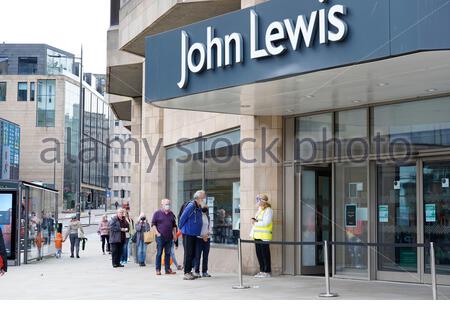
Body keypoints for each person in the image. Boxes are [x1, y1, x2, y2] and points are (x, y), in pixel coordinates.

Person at [179, 190, 205, 280]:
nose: (204, 199)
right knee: (188, 253)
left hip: (194, 234)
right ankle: (186, 272)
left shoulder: (198, 207)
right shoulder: (191, 206)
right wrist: (181, 228)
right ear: (198, 198)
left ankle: (189, 271)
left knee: (193, 253)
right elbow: (183, 217)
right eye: (203, 197)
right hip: (188, 233)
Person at [151, 199, 177, 275]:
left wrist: (175, 235)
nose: (167, 205)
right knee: (159, 253)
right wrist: (157, 233)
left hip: (169, 237)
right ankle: (158, 269)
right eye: (166, 204)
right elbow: (153, 224)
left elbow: (174, 226)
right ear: (162, 204)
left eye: (168, 204)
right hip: (160, 236)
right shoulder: (157, 213)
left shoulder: (171, 214)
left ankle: (167, 269)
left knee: (168, 253)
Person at [250, 194, 273, 278]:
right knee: (259, 254)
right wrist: (254, 220)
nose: (257, 202)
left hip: (264, 236)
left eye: (259, 200)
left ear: (263, 201)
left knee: (265, 254)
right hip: (257, 235)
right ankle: (262, 270)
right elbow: (258, 220)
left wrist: (255, 222)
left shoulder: (268, 210)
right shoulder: (260, 209)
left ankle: (267, 271)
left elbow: (266, 222)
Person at [194, 205, 212, 277]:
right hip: (199, 238)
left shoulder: (208, 217)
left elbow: (210, 228)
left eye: (207, 208)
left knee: (205, 256)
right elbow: (196, 228)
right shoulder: (198, 217)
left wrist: (206, 235)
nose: (206, 208)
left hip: (207, 238)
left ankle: (205, 271)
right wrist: (202, 236)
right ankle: (197, 271)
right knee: (197, 256)